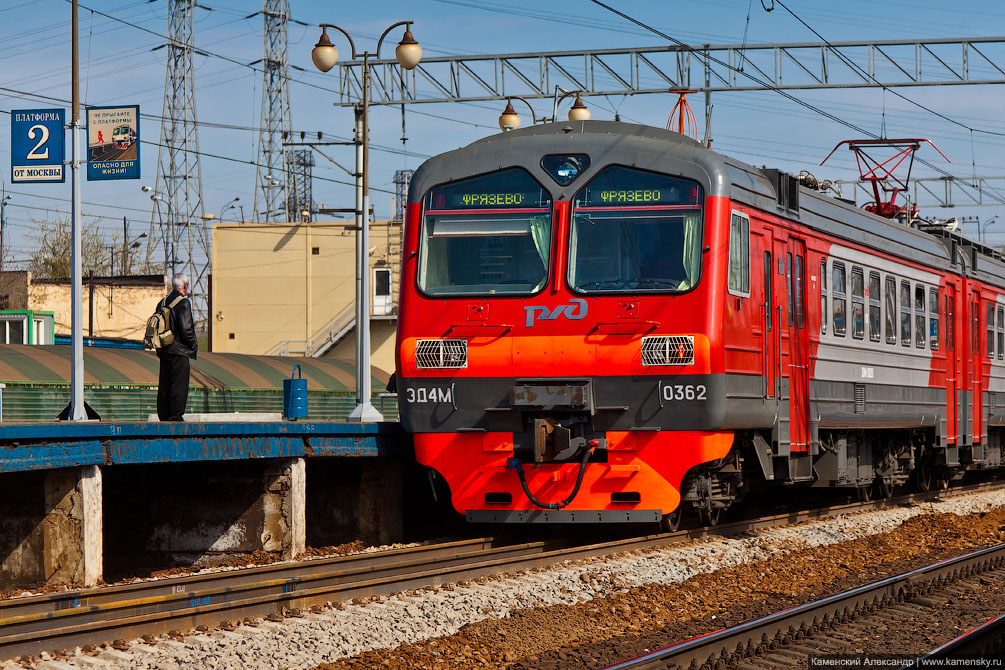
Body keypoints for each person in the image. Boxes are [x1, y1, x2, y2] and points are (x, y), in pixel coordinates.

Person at [156, 273, 197, 421]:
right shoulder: (183, 303)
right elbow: (186, 328)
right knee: (179, 384)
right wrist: (192, 345)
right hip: (179, 350)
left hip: (163, 349)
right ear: (185, 286)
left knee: (165, 383)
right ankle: (175, 416)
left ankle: (164, 414)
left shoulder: (162, 302)